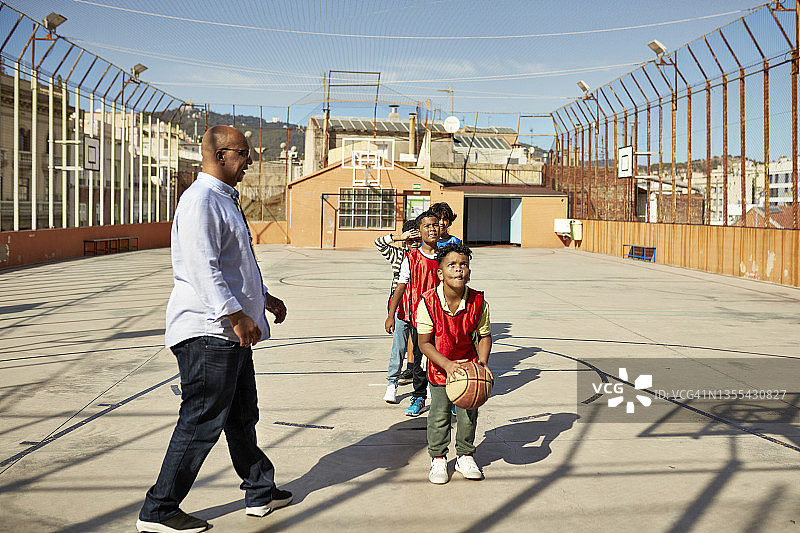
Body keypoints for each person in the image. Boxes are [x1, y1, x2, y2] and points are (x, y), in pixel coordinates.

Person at [137, 126, 292, 533]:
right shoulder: (201, 200)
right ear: (221, 156)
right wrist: (236, 315)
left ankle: (259, 490)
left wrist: (263, 298)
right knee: (201, 419)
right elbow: (202, 267)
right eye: (243, 154)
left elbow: (231, 265)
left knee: (242, 416)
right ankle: (159, 509)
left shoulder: (223, 199)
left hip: (229, 333)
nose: (249, 162)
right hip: (209, 333)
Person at [416, 243, 491, 484]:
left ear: (469, 271)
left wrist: (481, 362)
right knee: (439, 416)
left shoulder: (479, 301)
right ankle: (438, 459)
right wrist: (447, 365)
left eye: (464, 265)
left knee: (468, 414)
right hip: (440, 368)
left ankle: (465, 455)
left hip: (468, 368)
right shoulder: (427, 302)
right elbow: (424, 343)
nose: (458, 270)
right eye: (451, 265)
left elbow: (485, 336)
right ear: (440, 272)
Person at [385, 211, 441, 416]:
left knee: (444, 356)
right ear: (420, 231)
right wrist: (391, 315)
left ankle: (447, 396)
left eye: (435, 225)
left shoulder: (446, 255)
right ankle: (418, 396)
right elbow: (400, 288)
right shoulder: (411, 258)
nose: (432, 229)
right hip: (420, 317)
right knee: (419, 359)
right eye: (427, 226)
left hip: (443, 317)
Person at [374, 220, 420, 403]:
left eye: (417, 237)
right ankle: (392, 384)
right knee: (398, 346)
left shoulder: (426, 255)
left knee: (422, 347)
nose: (414, 242)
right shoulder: (398, 254)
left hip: (421, 304)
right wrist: (400, 237)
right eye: (410, 238)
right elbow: (379, 243)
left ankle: (424, 384)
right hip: (400, 304)